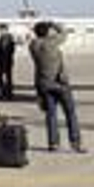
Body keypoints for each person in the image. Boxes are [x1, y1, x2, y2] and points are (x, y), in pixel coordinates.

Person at [29, 21, 84, 153]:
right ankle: (75, 142)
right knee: (70, 113)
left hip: (43, 83)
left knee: (51, 115)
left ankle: (53, 143)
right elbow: (64, 33)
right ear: (47, 32)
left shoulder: (33, 45)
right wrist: (53, 24)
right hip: (59, 83)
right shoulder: (51, 42)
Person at [0, 28, 16, 100]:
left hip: (4, 61)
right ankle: (7, 92)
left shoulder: (6, 39)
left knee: (3, 77)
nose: (1, 32)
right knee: (7, 77)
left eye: (2, 30)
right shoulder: (5, 38)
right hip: (5, 61)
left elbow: (4, 50)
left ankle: (5, 92)